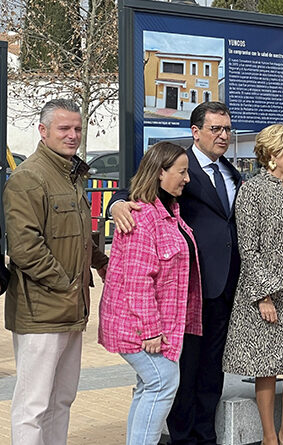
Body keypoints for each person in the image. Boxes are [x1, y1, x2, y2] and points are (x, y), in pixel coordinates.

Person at [110, 101, 242, 445]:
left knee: (212, 371)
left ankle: (204, 434)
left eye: (227, 128)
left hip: (223, 286)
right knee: (180, 373)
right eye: (215, 128)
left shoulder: (232, 171)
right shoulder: (176, 169)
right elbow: (134, 192)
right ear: (196, 131)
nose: (223, 135)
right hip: (183, 294)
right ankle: (182, 437)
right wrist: (116, 204)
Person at [4, 99, 109, 444]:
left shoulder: (71, 174)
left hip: (72, 309)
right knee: (32, 405)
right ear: (43, 131)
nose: (73, 135)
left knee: (61, 400)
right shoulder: (29, 178)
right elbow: (25, 248)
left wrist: (103, 262)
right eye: (64, 129)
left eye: (77, 128)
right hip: (42, 311)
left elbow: (78, 238)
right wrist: (65, 285)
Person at [222, 124, 283, 445]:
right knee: (266, 364)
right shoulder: (252, 190)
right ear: (273, 154)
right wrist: (263, 295)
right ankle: (269, 436)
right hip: (266, 294)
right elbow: (248, 247)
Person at [98, 142, 201, 445]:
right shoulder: (142, 216)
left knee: (150, 386)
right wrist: (151, 330)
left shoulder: (170, 211)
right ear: (160, 173)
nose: (187, 178)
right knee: (163, 382)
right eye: (181, 172)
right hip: (139, 327)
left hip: (154, 325)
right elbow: (138, 280)